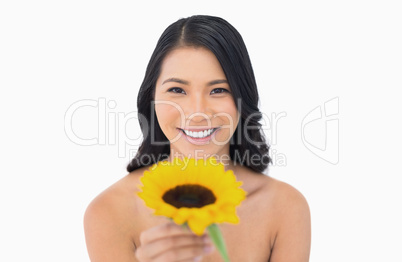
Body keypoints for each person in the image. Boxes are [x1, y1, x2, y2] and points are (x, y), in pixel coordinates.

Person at [84, 15, 311, 262]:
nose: (197, 112)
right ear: (152, 98)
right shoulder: (109, 212)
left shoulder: (285, 207)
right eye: (177, 90)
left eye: (218, 90)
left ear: (242, 100)